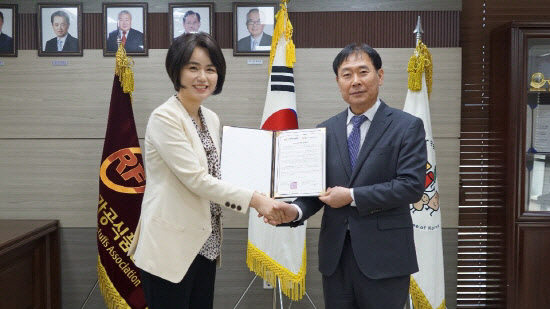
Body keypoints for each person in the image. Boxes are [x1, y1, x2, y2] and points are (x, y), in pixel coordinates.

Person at [127, 32, 286, 309]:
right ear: (176, 71)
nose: (203, 77)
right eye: (193, 68)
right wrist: (257, 200)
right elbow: (197, 180)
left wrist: (269, 184)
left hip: (206, 241)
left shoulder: (209, 117)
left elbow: (219, 174)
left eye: (210, 69)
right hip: (170, 245)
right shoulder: (165, 117)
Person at [277, 43, 427, 308]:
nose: (355, 81)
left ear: (379, 76)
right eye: (347, 74)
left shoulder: (407, 126)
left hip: (386, 258)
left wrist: (352, 196)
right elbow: (317, 190)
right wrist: (295, 211)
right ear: (338, 81)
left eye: (363, 72)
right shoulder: (324, 130)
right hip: (336, 258)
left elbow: (411, 186)